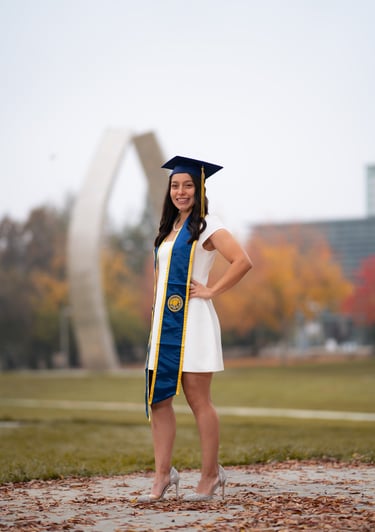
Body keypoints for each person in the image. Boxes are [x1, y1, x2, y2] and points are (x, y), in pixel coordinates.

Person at [138, 155, 252, 503]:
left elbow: (243, 261)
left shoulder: (207, 225)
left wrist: (211, 290)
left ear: (199, 189)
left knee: (198, 401)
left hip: (195, 324)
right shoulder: (168, 229)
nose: (181, 191)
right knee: (159, 401)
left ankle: (209, 476)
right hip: (164, 327)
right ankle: (162, 477)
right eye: (175, 185)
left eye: (188, 185)